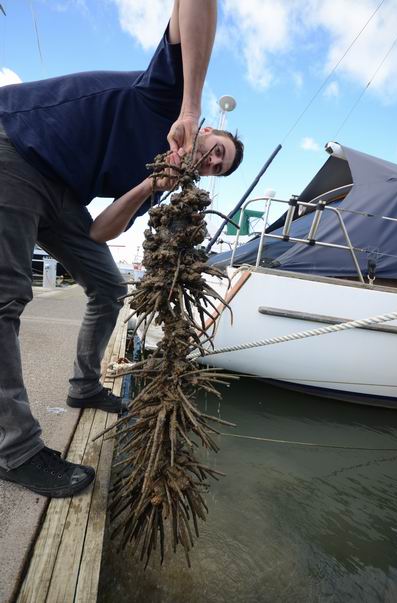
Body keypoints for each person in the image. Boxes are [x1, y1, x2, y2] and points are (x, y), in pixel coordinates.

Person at [0, 0, 244, 499]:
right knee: (5, 298)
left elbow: (100, 234)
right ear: (210, 132)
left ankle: (84, 386)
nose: (212, 161)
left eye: (217, 168)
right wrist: (190, 107)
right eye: (219, 150)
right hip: (19, 148)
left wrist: (150, 186)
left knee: (110, 286)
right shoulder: (167, 96)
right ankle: (16, 449)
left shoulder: (167, 175)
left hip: (65, 195)